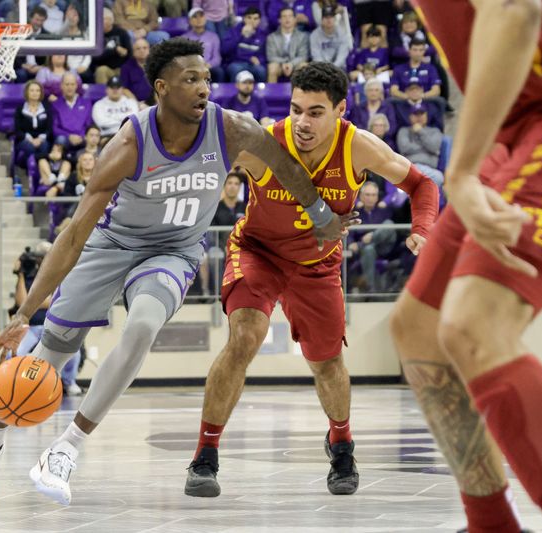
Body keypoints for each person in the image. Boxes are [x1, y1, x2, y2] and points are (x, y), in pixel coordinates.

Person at [0, 38, 347, 508]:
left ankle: (65, 449)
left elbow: (285, 165)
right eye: (191, 79)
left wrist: (320, 212)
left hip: (174, 252)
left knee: (142, 325)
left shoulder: (233, 131)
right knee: (48, 357)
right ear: (161, 88)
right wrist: (24, 312)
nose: (204, 87)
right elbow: (75, 232)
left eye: (206, 78)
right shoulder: (128, 144)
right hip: (113, 245)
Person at [388, 1, 542, 532]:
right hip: (517, 121)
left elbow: (515, 8)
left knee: (475, 324)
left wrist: (461, 172)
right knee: (419, 328)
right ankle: (490, 524)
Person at [184, 62, 439, 498]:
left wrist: (423, 228)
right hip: (258, 253)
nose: (302, 121)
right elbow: (193, 158)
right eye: (296, 108)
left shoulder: (359, 147)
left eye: (316, 112)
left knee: (326, 363)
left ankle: (341, 444)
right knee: (245, 336)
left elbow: (423, 185)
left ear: (341, 109)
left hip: (318, 264)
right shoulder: (263, 142)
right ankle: (205, 455)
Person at [12, 242, 82, 396]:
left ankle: (69, 383)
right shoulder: (30, 277)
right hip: (30, 327)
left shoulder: (62, 274)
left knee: (74, 352)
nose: (40, 261)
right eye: (39, 258)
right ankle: (17, 384)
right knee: (17, 351)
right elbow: (22, 302)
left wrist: (35, 301)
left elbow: (55, 301)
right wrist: (21, 274)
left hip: (52, 325)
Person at [395, 104, 444, 189]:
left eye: (421, 114)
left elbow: (434, 147)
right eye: (415, 114)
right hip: (410, 168)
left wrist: (420, 131)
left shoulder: (435, 131)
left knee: (439, 178)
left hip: (430, 170)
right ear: (410, 117)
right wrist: (425, 147)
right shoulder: (404, 131)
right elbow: (404, 148)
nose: (419, 117)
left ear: (426, 116)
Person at [51, 72, 92, 158]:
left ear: (76, 85)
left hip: (82, 137)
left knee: (92, 138)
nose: (70, 87)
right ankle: (59, 168)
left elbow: (88, 125)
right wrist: (69, 136)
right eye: (67, 84)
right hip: (65, 139)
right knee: (60, 139)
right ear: (61, 86)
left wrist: (81, 136)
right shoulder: (55, 104)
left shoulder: (86, 103)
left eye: (72, 84)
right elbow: (55, 128)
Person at [222, 7, 268, 83]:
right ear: (244, 19)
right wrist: (241, 35)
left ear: (259, 21)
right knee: (236, 69)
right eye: (249, 18)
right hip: (236, 62)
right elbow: (225, 51)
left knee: (261, 71)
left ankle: (260, 94)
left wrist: (259, 60)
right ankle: (234, 94)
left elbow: (265, 55)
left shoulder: (263, 35)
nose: (252, 21)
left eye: (255, 18)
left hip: (253, 65)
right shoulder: (233, 31)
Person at [266, 7, 310, 83]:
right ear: (279, 20)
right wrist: (284, 63)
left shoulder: (303, 36)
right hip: (279, 65)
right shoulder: (271, 37)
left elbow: (303, 56)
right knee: (272, 67)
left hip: (296, 64)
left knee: (304, 66)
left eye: (290, 16)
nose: (287, 19)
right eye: (284, 16)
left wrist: (291, 64)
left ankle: (303, 94)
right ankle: (272, 94)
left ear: (295, 19)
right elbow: (271, 57)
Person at [91, 76, 140, 144]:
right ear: (107, 89)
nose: (115, 90)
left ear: (122, 89)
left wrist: (112, 119)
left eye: (117, 87)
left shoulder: (131, 103)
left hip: (128, 135)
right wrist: (122, 120)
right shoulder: (99, 105)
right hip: (107, 136)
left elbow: (133, 121)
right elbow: (102, 123)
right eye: (112, 87)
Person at [181, 7, 225, 83]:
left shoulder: (213, 36)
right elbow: (183, 58)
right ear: (190, 21)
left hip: (209, 67)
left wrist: (209, 65)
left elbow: (217, 57)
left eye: (201, 16)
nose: (199, 19)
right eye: (195, 17)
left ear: (205, 19)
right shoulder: (184, 38)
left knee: (219, 72)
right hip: (191, 67)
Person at [91, 8, 132, 85]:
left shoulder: (121, 33)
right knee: (101, 71)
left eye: (103, 19)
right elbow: (95, 57)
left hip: (121, 68)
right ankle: (102, 95)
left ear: (111, 21)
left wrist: (124, 52)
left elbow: (129, 53)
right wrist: (115, 50)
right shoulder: (95, 35)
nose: (99, 22)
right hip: (105, 68)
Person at [14, 81, 53, 161]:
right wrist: (31, 140)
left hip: (42, 139)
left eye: (37, 90)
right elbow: (18, 130)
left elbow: (49, 128)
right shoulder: (20, 109)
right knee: (29, 147)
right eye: (32, 90)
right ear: (27, 92)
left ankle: (40, 169)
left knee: (44, 146)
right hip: (25, 139)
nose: (35, 93)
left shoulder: (47, 108)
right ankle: (29, 168)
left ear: (41, 93)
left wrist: (40, 139)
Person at [309, 6, 351, 72]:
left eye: (331, 17)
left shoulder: (342, 33)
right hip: (321, 69)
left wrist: (333, 68)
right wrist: (325, 69)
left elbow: (342, 56)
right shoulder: (314, 35)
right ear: (322, 20)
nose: (329, 20)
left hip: (339, 69)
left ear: (334, 19)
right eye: (326, 17)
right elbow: (316, 56)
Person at [119, 37, 154, 106]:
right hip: (134, 104)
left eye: (144, 48)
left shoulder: (156, 65)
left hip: (154, 104)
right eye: (138, 48)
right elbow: (124, 89)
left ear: (149, 50)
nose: (142, 51)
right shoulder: (126, 67)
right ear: (133, 52)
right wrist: (136, 104)